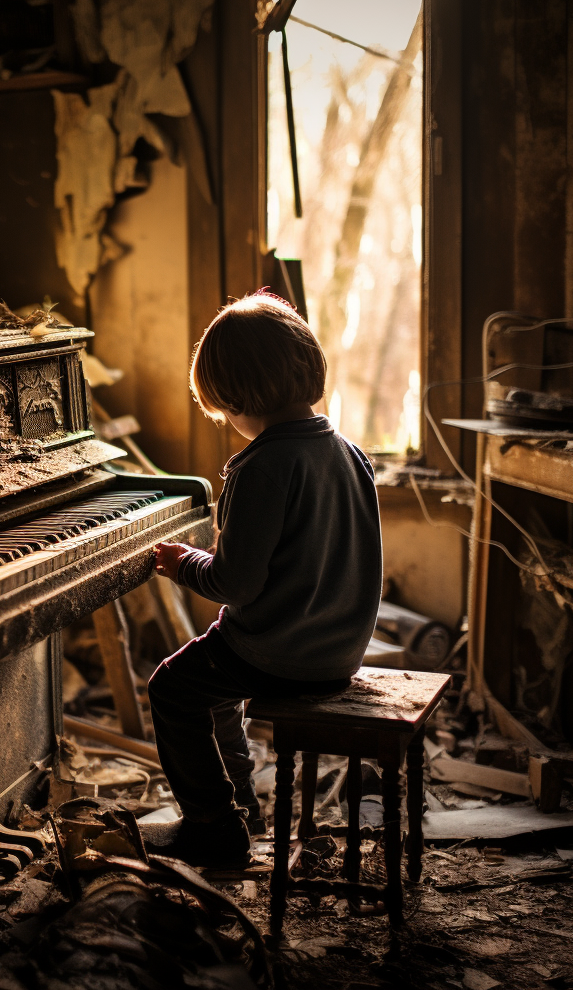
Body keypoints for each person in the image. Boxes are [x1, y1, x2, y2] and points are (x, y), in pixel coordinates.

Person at [150, 291, 382, 866]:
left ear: (236, 396)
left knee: (172, 689)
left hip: (279, 653)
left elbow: (235, 585)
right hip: (340, 650)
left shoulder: (262, 467)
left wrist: (184, 563)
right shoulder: (350, 455)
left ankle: (213, 823)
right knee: (215, 687)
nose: (229, 424)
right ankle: (240, 808)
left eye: (224, 411)